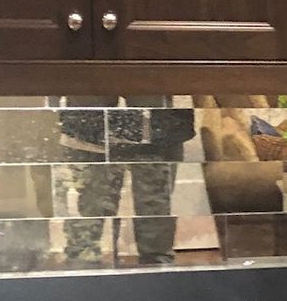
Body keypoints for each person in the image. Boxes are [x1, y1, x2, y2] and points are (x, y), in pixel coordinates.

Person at [60, 101, 197, 266]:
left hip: (158, 125)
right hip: (93, 124)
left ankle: (157, 271)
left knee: (154, 211)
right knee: (91, 217)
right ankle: (83, 270)